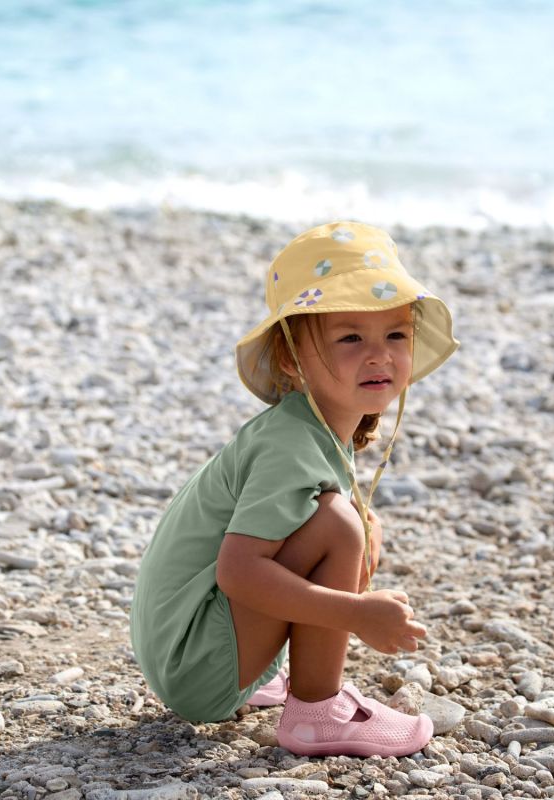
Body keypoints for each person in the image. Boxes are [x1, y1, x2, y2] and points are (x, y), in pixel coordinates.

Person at [130, 222, 459, 757]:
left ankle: (274, 677)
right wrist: (356, 613)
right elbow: (238, 572)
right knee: (335, 524)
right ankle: (316, 713)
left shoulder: (314, 425)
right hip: (193, 665)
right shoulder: (289, 444)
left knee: (352, 522)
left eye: (395, 335)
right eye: (351, 337)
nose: (380, 355)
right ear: (291, 358)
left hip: (193, 649)